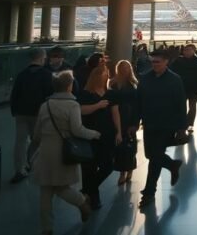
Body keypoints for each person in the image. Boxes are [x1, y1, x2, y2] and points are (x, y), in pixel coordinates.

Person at [33, 70, 99, 235]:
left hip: (45, 151)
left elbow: (37, 134)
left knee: (45, 191)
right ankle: (82, 202)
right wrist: (95, 134)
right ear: (69, 86)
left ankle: (46, 228)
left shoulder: (45, 105)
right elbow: (77, 130)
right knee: (62, 187)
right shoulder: (72, 105)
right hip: (63, 152)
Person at [136, 50, 186, 208]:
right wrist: (134, 122)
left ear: (166, 62)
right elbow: (139, 101)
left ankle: (149, 192)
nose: (154, 65)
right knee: (152, 155)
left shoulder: (174, 80)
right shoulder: (145, 78)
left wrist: (181, 127)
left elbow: (180, 104)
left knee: (155, 156)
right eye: (152, 62)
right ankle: (172, 165)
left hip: (166, 125)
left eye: (157, 62)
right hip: (149, 124)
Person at [10, 47, 52, 183]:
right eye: (44, 57)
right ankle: (32, 164)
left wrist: (14, 110)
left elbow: (14, 94)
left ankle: (19, 170)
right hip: (37, 113)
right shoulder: (46, 74)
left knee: (20, 142)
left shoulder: (22, 74)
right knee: (37, 140)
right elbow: (49, 95)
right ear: (41, 58)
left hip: (21, 112)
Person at [78, 66, 118, 210]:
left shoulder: (110, 93)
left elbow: (115, 113)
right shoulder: (85, 93)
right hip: (89, 134)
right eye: (103, 74)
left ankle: (87, 190)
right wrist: (97, 105)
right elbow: (81, 110)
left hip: (107, 134)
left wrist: (118, 131)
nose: (105, 77)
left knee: (107, 166)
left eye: (106, 74)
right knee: (89, 167)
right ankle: (94, 198)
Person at [109, 60, 139, 186]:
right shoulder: (114, 83)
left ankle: (130, 169)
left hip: (131, 116)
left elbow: (138, 103)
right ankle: (122, 172)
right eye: (123, 68)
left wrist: (136, 121)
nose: (125, 70)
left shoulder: (134, 82)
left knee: (131, 146)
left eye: (127, 67)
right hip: (119, 115)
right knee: (121, 147)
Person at [170, 44, 197, 132]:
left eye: (189, 50)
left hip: (194, 89)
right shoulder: (178, 61)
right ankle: (181, 123)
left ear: (193, 51)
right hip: (181, 88)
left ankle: (190, 124)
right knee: (181, 107)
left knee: (192, 107)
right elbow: (171, 72)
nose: (186, 52)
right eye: (185, 50)